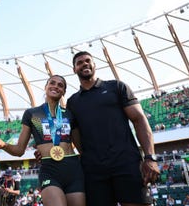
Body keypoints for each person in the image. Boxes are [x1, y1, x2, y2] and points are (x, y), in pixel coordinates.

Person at [36, 51, 160, 206]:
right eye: (79, 62)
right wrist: (48, 151)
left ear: (94, 64)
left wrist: (150, 157)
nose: (85, 64)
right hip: (93, 171)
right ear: (74, 69)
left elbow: (139, 119)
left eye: (88, 60)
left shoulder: (117, 87)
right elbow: (70, 137)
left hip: (126, 163)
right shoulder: (73, 102)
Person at [0, 75, 86, 206]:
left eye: (60, 85)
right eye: (52, 83)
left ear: (63, 92)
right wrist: (2, 144)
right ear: (46, 87)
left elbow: (81, 148)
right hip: (50, 170)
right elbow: (19, 151)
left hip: (73, 169)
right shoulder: (32, 114)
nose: (56, 86)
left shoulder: (69, 114)